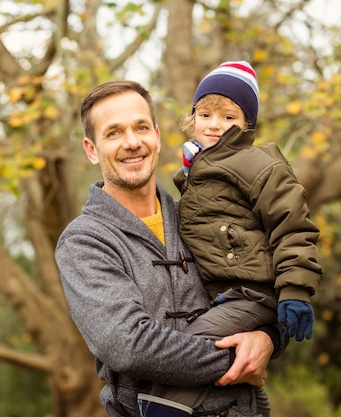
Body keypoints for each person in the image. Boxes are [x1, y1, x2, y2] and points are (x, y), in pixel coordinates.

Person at [55, 80, 287, 417]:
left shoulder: (201, 217)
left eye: (141, 127)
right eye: (114, 133)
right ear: (91, 149)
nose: (132, 143)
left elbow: (259, 288)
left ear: (158, 136)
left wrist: (269, 339)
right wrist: (238, 357)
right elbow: (129, 346)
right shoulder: (85, 241)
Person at [146, 61, 323, 416]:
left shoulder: (257, 165)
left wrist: (295, 291)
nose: (215, 125)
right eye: (206, 114)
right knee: (230, 363)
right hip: (229, 295)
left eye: (229, 117)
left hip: (253, 292)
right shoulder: (198, 169)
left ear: (246, 125)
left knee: (181, 358)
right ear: (192, 116)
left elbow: (293, 227)